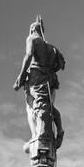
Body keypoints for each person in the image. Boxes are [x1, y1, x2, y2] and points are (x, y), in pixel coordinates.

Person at [13, 17, 65, 156]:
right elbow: (61, 64)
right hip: (50, 79)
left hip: (36, 76)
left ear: (32, 30)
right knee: (47, 105)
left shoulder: (32, 39)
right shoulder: (52, 48)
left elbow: (29, 55)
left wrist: (21, 76)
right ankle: (59, 131)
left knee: (37, 106)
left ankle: (41, 135)